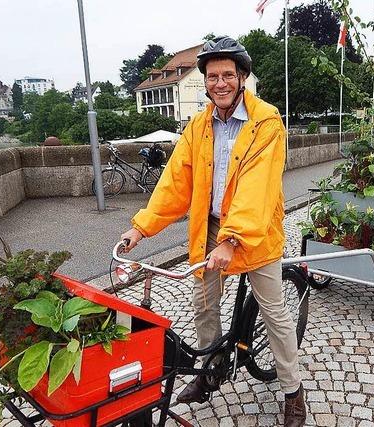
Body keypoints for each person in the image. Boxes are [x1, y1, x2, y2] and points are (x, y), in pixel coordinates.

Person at [120, 36, 306, 427]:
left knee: (273, 311)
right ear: (204, 81)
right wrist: (141, 229)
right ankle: (211, 370)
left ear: (241, 78)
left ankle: (292, 390)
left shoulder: (266, 122)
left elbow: (258, 188)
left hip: (252, 230)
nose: (219, 83)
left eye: (227, 75)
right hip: (211, 226)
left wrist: (232, 239)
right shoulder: (198, 126)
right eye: (212, 76)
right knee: (203, 304)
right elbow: (175, 182)